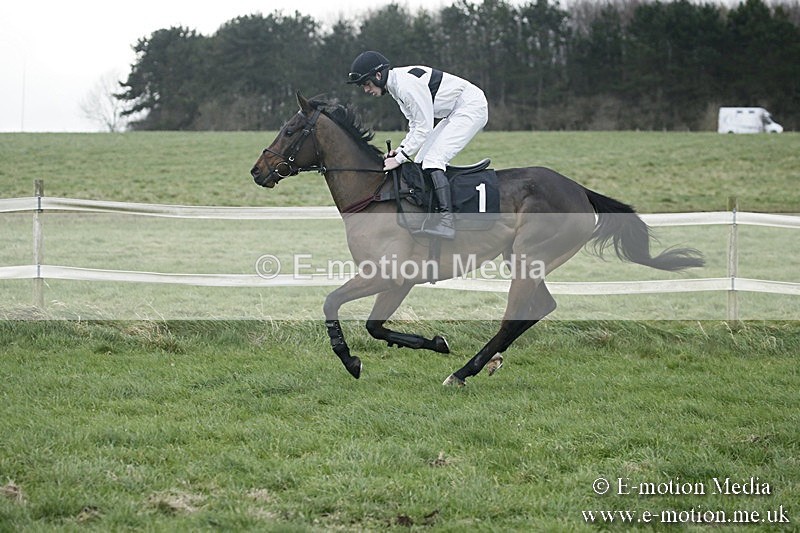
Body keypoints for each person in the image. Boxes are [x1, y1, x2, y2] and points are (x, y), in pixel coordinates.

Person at [347, 51, 488, 239]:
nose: (366, 90)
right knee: (421, 161)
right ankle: (432, 215)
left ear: (378, 76)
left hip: (471, 107)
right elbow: (415, 125)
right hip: (455, 111)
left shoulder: (405, 86)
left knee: (433, 159)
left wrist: (398, 158)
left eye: (366, 84)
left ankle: (447, 222)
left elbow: (424, 128)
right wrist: (401, 150)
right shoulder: (396, 86)